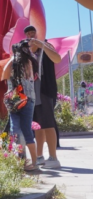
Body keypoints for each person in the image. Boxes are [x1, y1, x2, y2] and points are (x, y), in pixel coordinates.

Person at [25, 25, 62, 169]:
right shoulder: (25, 50)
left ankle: (53, 157)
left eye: (33, 32)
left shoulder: (46, 46)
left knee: (48, 123)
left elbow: (57, 59)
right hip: (31, 92)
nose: (31, 35)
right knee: (37, 125)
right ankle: (39, 156)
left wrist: (42, 44)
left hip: (45, 90)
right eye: (28, 33)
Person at [2, 39, 40, 171]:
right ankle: (31, 162)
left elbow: (4, 75)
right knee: (24, 131)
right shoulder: (29, 61)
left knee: (16, 130)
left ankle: (23, 161)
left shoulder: (17, 63)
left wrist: (12, 58)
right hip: (27, 99)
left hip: (14, 100)